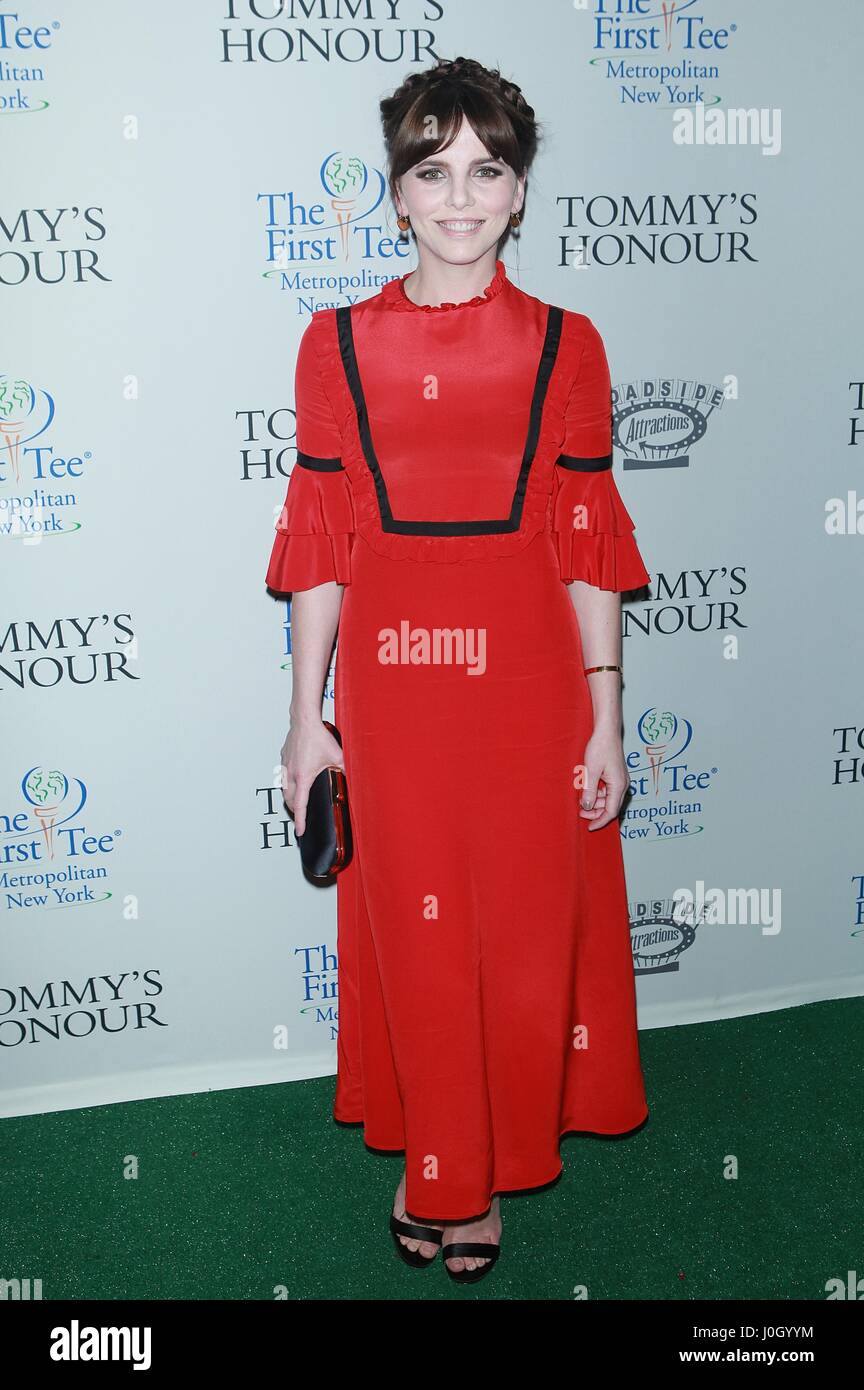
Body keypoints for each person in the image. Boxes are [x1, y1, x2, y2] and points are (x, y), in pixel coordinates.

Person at [266, 55, 651, 1285]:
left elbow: (588, 544)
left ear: (523, 191)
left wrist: (605, 716)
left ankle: (492, 1155)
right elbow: (321, 545)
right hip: (394, 689)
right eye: (433, 171)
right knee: (418, 938)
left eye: (488, 170)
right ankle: (444, 1167)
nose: (461, 197)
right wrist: (305, 720)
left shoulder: (569, 347)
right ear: (396, 194)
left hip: (535, 689)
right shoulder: (333, 345)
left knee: (527, 936)